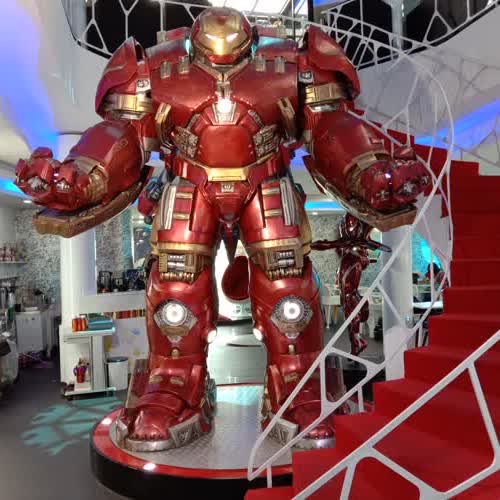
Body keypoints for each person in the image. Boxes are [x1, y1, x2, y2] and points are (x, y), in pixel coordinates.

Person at [15, 7, 429, 451]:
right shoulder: (152, 65)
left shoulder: (296, 60)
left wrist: (366, 167)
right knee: (176, 284)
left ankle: (296, 378)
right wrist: (84, 173)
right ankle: (175, 379)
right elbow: (124, 132)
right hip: (189, 186)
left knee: (286, 280)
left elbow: (331, 123)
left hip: (266, 184)